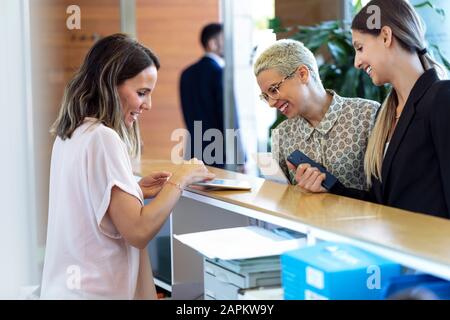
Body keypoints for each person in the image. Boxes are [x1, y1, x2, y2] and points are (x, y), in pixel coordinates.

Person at [40, 33, 215, 299]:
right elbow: (138, 231)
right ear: (111, 85)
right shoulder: (103, 138)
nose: (148, 105)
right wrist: (179, 179)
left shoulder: (72, 133)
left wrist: (133, 190)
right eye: (142, 93)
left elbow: (86, 205)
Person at [293, 0, 450, 219]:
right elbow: (381, 203)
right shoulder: (386, 115)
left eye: (360, 48)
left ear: (386, 36)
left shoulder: (442, 97)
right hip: (395, 249)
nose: (357, 62)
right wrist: (329, 186)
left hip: (429, 251)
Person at [254, 39, 380, 189]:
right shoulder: (282, 134)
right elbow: (278, 198)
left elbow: (387, 193)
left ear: (302, 74)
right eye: (266, 96)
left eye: (274, 90)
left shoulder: (368, 115)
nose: (271, 103)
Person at [180, 23, 243, 169]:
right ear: (213, 43)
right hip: (220, 155)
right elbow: (229, 118)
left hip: (193, 152)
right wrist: (239, 157)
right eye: (225, 40)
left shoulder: (186, 74)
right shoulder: (220, 73)